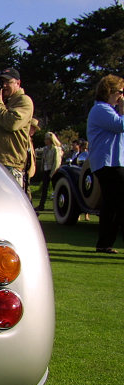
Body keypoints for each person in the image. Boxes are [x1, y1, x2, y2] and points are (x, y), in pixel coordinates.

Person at [87, 74, 124, 254]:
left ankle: (105, 243)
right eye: (120, 92)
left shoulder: (107, 109)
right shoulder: (101, 109)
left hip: (112, 162)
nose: (121, 96)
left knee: (112, 204)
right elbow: (119, 125)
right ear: (110, 91)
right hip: (108, 163)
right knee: (116, 202)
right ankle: (105, 242)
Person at [36, 132, 63, 211]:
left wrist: (52, 173)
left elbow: (57, 162)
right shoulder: (46, 149)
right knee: (44, 189)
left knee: (56, 189)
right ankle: (41, 205)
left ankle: (58, 206)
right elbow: (43, 160)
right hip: (46, 170)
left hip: (53, 171)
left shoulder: (55, 149)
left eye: (46, 139)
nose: (44, 140)